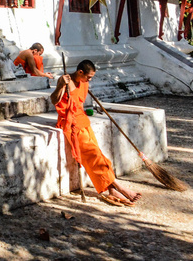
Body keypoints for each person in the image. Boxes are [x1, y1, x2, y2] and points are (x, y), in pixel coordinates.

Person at [51, 60, 140, 207]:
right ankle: (119, 187)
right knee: (93, 155)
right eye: (89, 77)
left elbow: (79, 100)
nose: (89, 80)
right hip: (71, 124)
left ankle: (111, 190)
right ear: (80, 72)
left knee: (98, 155)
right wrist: (60, 85)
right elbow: (54, 100)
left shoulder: (83, 82)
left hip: (83, 121)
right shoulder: (65, 80)